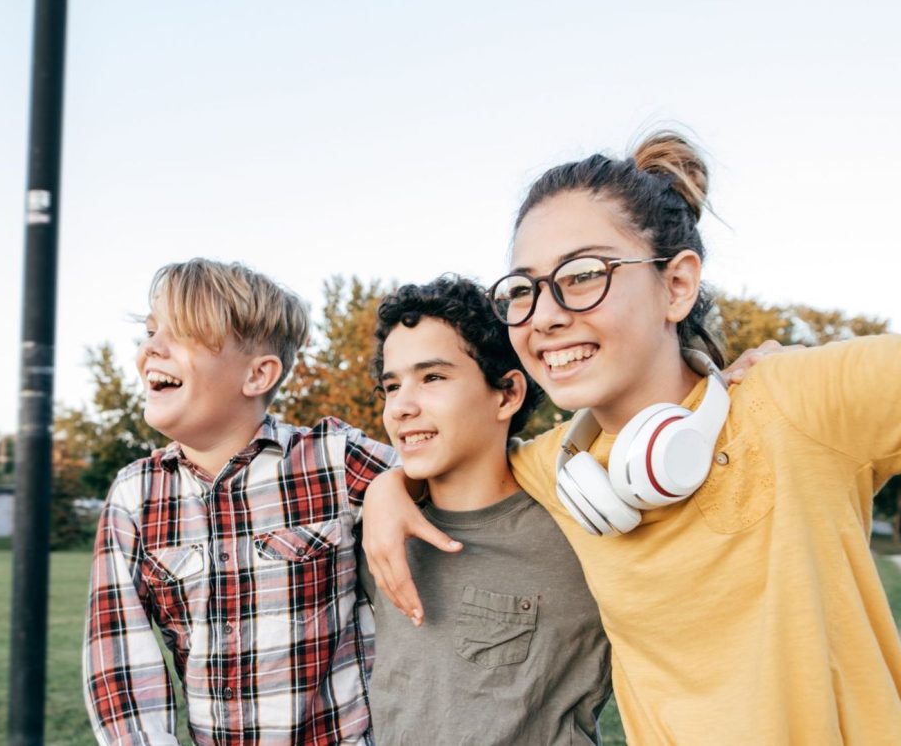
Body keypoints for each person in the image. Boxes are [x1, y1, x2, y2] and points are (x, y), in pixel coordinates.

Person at [362, 132, 901, 744]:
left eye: (584, 274)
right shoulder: (558, 467)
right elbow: (458, 451)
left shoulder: (798, 399)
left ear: (676, 286)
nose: (545, 315)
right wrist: (389, 485)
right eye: (523, 289)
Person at [82, 259, 396, 745]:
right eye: (149, 331)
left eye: (180, 335)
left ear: (258, 375)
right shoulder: (134, 495)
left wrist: (397, 486)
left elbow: (450, 473)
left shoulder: (333, 458)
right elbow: (121, 667)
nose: (151, 349)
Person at [359, 276, 611, 744]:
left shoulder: (580, 522)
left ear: (507, 394)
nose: (400, 408)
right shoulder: (377, 535)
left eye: (432, 377)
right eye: (391, 386)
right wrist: (385, 486)